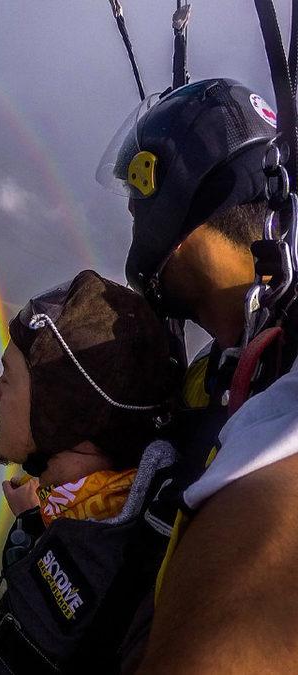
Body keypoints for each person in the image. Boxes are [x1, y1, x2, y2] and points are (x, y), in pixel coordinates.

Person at [96, 77, 298, 670]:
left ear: (170, 217)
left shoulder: (282, 385)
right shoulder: (222, 369)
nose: (136, 234)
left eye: (139, 210)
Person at [0, 270, 179, 674]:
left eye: (8, 377)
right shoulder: (94, 521)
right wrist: (34, 520)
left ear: (61, 414)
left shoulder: (109, 578)